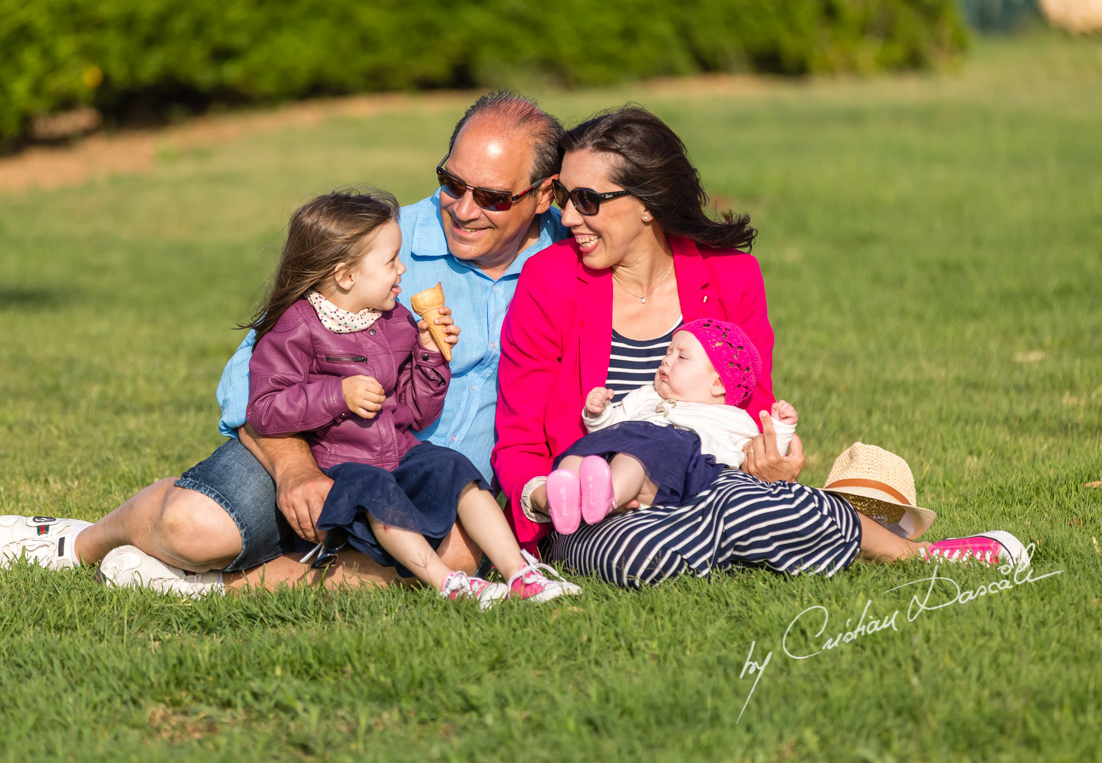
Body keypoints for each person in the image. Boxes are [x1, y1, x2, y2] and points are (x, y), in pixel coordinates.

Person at [0, 91, 568, 594]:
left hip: (427, 482)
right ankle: (78, 541)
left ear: (543, 196)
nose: (460, 209)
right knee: (194, 527)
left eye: (489, 197)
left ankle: (211, 590)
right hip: (317, 450)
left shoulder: (566, 269)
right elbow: (250, 374)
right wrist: (295, 467)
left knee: (440, 569)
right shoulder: (378, 242)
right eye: (450, 183)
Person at [492, 106, 1026, 588]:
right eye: (565, 197)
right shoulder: (549, 280)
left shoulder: (732, 276)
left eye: (588, 201)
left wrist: (767, 464)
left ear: (648, 205)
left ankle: (920, 557)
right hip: (599, 512)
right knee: (636, 554)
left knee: (756, 502)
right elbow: (518, 440)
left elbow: (749, 409)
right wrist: (542, 500)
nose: (567, 218)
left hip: (712, 486)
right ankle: (774, 541)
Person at [243, 189, 580, 606]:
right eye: (391, 262)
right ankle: (449, 583)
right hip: (341, 465)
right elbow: (263, 410)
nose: (403, 270)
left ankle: (520, 572)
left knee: (456, 469)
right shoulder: (296, 327)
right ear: (346, 276)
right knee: (378, 494)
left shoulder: (396, 320)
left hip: (399, 450)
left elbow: (415, 413)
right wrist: (336, 394)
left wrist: (431, 356)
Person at [546, 318, 797, 533]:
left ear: (718, 384)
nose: (666, 361)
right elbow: (613, 426)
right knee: (579, 455)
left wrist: (782, 429)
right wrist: (599, 414)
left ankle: (605, 499)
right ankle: (566, 499)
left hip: (665, 467)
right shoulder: (646, 395)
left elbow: (756, 455)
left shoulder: (731, 417)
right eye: (668, 352)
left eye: (682, 357)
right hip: (622, 448)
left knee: (634, 457)